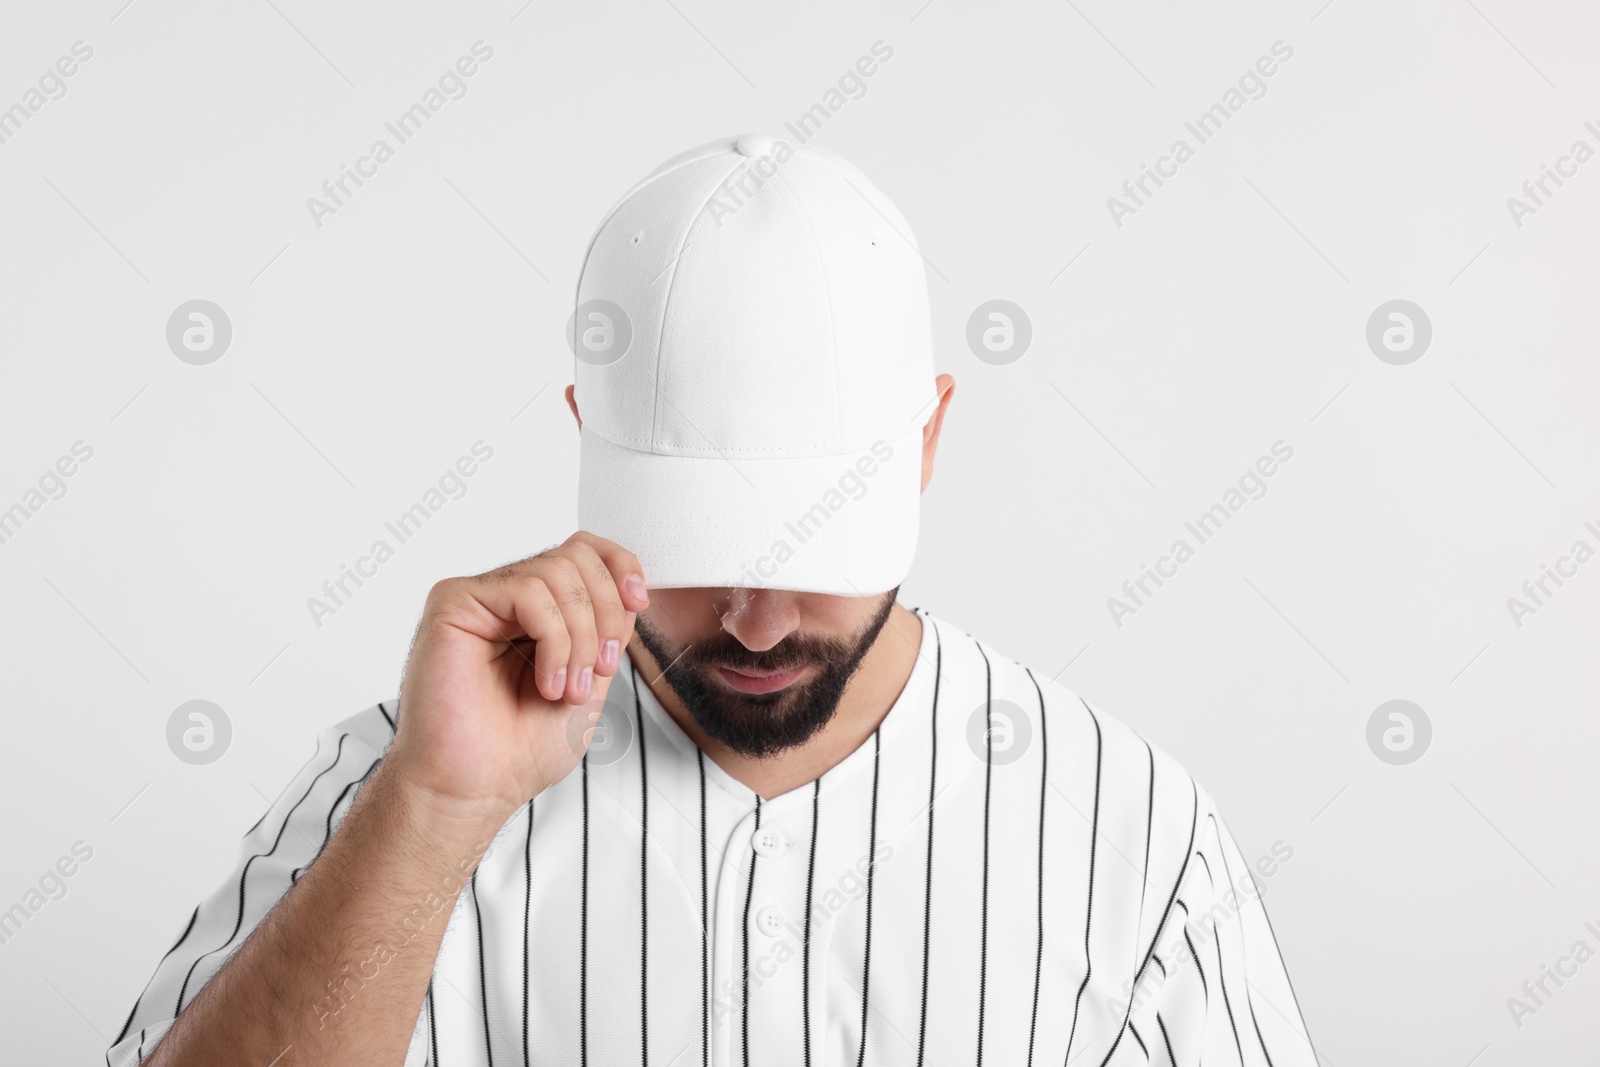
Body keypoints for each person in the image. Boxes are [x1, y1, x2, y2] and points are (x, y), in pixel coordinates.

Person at [108, 134, 1316, 1067]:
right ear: (589, 443)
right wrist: (430, 807)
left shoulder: (1129, 831)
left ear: (930, 437)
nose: (755, 619)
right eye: (697, 542)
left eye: (814, 544)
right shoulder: (409, 773)